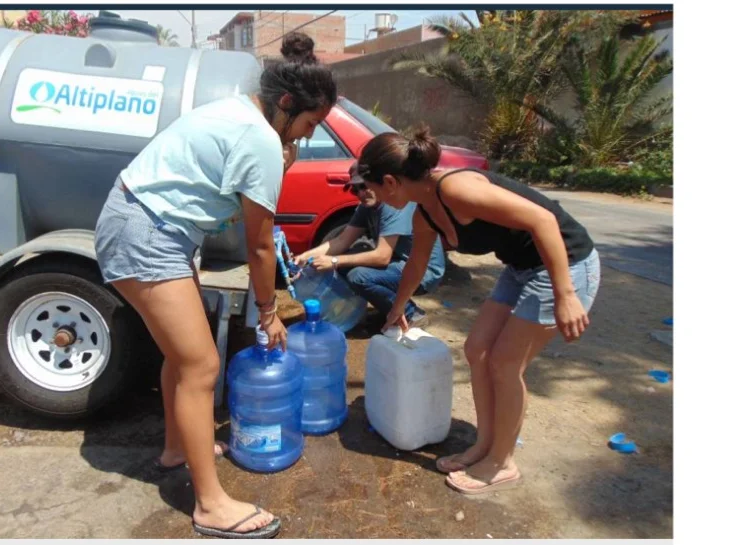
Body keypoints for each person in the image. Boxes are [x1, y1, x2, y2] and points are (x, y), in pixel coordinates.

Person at [94, 35, 337, 538]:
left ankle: (177, 449)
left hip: (146, 223)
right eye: (310, 124)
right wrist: (268, 312)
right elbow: (260, 246)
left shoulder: (239, 111)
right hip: (148, 232)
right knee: (202, 365)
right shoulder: (260, 138)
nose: (308, 136)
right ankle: (210, 504)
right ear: (287, 103)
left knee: (184, 356)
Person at [354, 127, 600, 496]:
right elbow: (416, 265)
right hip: (522, 266)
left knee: (505, 363)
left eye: (373, 189)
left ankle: (502, 463)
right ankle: (485, 445)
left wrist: (565, 294)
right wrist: (397, 307)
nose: (374, 199)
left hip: (565, 263)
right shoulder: (425, 214)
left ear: (390, 182)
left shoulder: (456, 189)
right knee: (477, 350)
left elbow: (544, 221)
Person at [293, 163, 446, 326]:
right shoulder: (366, 207)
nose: (360, 193)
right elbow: (342, 240)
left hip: (424, 271)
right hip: (398, 262)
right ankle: (382, 310)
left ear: (378, 182)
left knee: (359, 276)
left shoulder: (393, 206)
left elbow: (382, 257)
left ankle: (412, 314)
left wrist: (334, 261)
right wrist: (305, 257)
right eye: (355, 190)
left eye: (364, 186)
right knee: (345, 265)